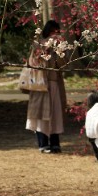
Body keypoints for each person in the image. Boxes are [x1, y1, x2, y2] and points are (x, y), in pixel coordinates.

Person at [25, 19, 67, 154]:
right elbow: (32, 63)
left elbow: (63, 65)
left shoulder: (59, 45)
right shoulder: (37, 44)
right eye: (54, 31)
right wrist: (44, 52)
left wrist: (58, 51)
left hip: (54, 84)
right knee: (40, 115)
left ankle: (55, 144)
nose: (55, 35)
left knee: (55, 115)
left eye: (57, 32)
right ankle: (43, 144)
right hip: (40, 85)